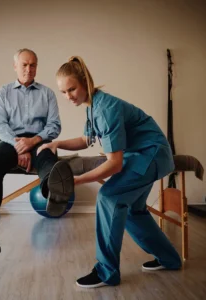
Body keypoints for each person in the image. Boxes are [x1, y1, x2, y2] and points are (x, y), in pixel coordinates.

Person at [37, 56, 181, 288]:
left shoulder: (106, 109)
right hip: (146, 155)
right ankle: (169, 259)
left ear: (85, 82)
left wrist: (78, 180)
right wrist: (57, 144)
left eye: (71, 89)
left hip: (151, 154)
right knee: (133, 210)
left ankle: (106, 272)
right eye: (63, 92)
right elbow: (86, 139)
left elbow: (114, 164)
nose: (68, 96)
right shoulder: (92, 107)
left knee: (109, 197)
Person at [0, 49, 74, 269]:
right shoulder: (2, 93)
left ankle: (51, 192)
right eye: (25, 65)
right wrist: (20, 147)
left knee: (49, 161)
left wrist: (33, 141)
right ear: (15, 66)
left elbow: (54, 126)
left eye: (33, 65)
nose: (29, 69)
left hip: (40, 142)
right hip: (10, 143)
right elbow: (0, 125)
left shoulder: (47, 94)